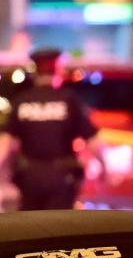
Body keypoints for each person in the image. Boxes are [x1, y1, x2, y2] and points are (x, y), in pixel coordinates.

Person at [0, 48, 97, 210]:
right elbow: (94, 140)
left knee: (30, 226)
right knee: (59, 225)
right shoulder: (69, 100)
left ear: (35, 72)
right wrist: (105, 168)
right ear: (58, 71)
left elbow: (5, 143)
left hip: (29, 177)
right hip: (61, 177)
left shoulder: (22, 101)